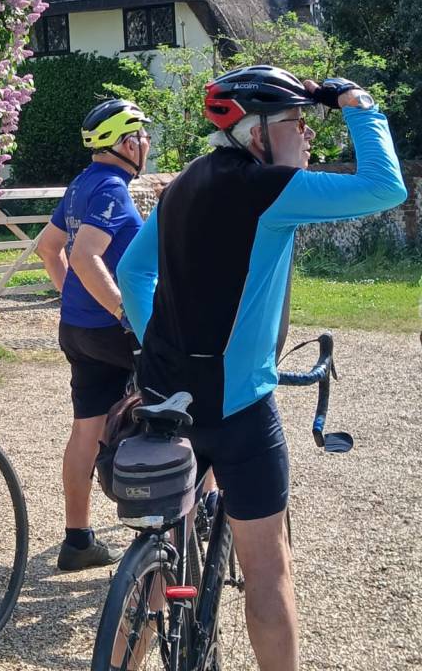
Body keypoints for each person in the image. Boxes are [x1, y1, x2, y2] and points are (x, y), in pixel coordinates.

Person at [116, 66, 407, 671]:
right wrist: (358, 103)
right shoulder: (271, 188)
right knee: (269, 568)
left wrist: (159, 344)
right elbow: (385, 187)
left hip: (165, 399)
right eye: (297, 123)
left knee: (156, 566)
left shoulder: (181, 185)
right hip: (240, 410)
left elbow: (132, 272)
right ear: (257, 133)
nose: (308, 135)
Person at [36, 98, 151, 572]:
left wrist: (74, 297)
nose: (147, 143)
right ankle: (176, 523)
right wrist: (125, 312)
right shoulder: (112, 189)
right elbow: (85, 256)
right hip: (113, 331)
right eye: (142, 135)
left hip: (78, 328)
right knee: (174, 412)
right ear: (127, 143)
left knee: (86, 428)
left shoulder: (82, 183)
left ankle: (78, 539)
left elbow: (48, 249)